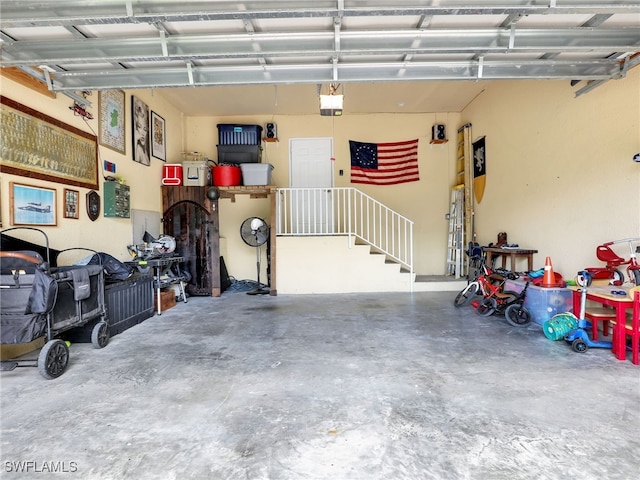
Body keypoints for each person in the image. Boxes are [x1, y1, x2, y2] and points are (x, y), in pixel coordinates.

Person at [133, 97, 150, 165]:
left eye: (145, 129)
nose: (143, 133)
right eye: (139, 127)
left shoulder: (144, 151)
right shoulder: (138, 149)